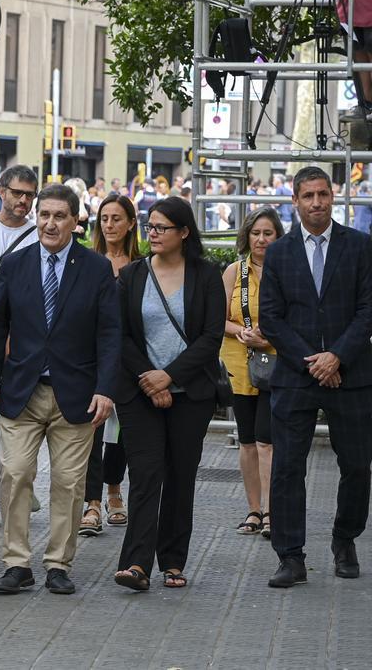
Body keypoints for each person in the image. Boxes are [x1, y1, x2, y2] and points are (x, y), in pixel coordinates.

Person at [0, 184, 119, 596]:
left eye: (60, 216)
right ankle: (16, 563)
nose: (50, 223)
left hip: (76, 395)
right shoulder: (15, 264)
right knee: (15, 473)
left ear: (75, 222)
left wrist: (106, 389)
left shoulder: (95, 269)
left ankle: (59, 563)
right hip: (21, 391)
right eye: (44, 215)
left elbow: (110, 334)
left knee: (69, 483)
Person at [261, 166, 372, 588]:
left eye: (323, 194)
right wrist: (314, 361)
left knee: (357, 465)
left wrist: (338, 356)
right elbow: (271, 317)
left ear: (334, 196)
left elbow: (368, 309)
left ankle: (345, 540)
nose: (317, 202)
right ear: (295, 200)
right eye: (308, 195)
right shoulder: (279, 252)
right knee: (288, 468)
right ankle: (290, 556)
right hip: (296, 376)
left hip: (353, 374)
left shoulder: (360, 247)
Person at [111, 197, 225, 592]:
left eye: (162, 227)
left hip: (191, 393)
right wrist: (149, 377)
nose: (153, 233)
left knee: (180, 476)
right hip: (139, 392)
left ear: (184, 232)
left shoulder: (207, 275)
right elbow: (120, 335)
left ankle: (173, 561)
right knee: (145, 475)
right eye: (150, 226)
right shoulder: (131, 275)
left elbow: (211, 337)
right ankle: (136, 564)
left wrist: (170, 376)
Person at [0, 164, 41, 529]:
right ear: (0, 190)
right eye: (17, 192)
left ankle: (20, 481)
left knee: (21, 416)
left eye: (29, 195)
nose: (22, 201)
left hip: (23, 339)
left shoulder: (38, 234)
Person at [220, 208, 283, 540]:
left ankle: (273, 511)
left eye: (268, 233)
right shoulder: (234, 271)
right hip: (240, 365)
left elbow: (296, 318)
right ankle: (254, 510)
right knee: (246, 440)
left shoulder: (286, 271)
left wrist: (270, 337)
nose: (261, 239)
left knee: (266, 441)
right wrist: (240, 332)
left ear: (278, 236)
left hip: (276, 365)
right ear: (247, 236)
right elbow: (215, 319)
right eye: (256, 233)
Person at [80, 193, 138, 537]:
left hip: (129, 360)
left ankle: (115, 489)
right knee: (91, 430)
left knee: (121, 434)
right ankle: (92, 502)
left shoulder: (142, 263)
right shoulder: (87, 262)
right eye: (104, 218)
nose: (110, 225)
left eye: (117, 218)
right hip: (91, 358)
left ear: (131, 223)